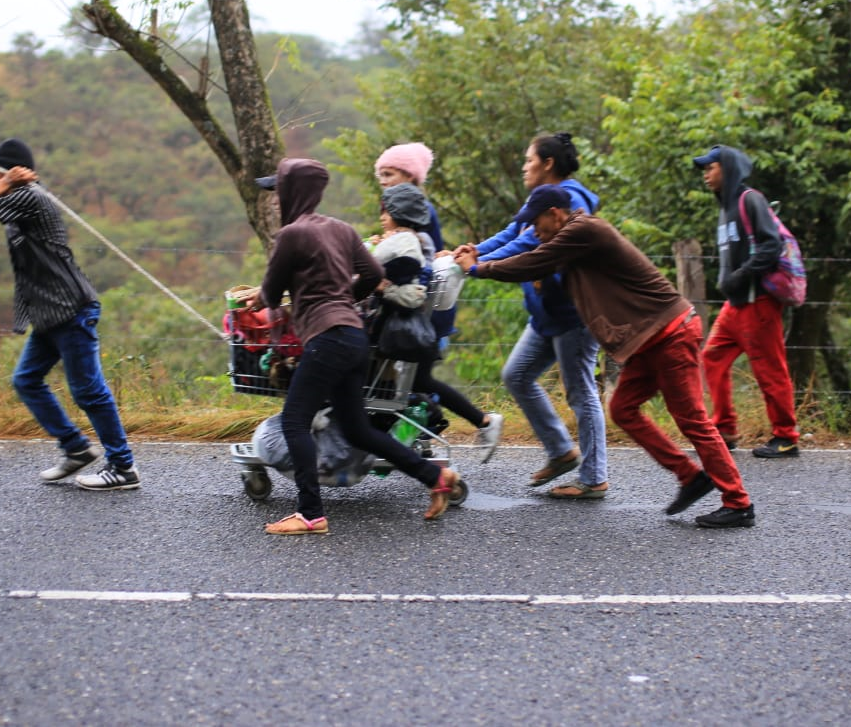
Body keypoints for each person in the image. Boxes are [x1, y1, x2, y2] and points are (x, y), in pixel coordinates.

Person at [456, 185, 756, 528]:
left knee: (692, 421)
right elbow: (530, 254)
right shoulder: (569, 243)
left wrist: (477, 268)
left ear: (556, 213)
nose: (533, 230)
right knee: (623, 410)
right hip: (647, 339)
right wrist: (477, 251)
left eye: (537, 222)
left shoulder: (584, 230)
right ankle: (690, 476)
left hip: (671, 332)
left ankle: (738, 502)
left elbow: (531, 261)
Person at [248, 158, 460, 535]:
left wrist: (259, 300)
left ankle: (310, 514)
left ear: (294, 192)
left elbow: (269, 291)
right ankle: (436, 477)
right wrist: (344, 297)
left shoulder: (292, 234)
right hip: (353, 338)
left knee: (296, 421)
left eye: (278, 192)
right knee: (357, 428)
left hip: (326, 339)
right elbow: (374, 275)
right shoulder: (341, 230)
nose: (275, 201)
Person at [0, 138, 140, 490]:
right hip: (49, 313)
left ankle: (122, 466)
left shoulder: (28, 197)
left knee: (88, 391)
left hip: (71, 309)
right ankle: (75, 448)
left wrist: (5, 182)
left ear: (9, 175)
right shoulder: (10, 198)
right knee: (26, 380)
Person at [453, 133, 607, 498]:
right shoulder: (539, 199)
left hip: (573, 314)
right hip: (545, 315)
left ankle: (594, 478)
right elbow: (514, 232)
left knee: (581, 393)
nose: (524, 167)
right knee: (516, 375)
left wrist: (480, 266)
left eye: (528, 160)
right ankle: (561, 452)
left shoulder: (572, 199)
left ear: (548, 163)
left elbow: (531, 244)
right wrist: (474, 250)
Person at [374, 144, 503, 455]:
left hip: (420, 311)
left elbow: (419, 256)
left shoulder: (415, 211)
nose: (383, 180)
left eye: (389, 174)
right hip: (419, 308)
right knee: (413, 381)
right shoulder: (407, 209)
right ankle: (426, 431)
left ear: (409, 174)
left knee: (416, 380)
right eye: (380, 175)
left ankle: (478, 421)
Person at [693, 145, 801, 458]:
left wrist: (739, 276)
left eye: (710, 167)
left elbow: (771, 246)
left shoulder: (749, 199)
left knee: (770, 370)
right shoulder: (725, 208)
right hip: (735, 306)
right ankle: (724, 428)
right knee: (711, 358)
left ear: (727, 168)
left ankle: (786, 437)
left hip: (759, 302)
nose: (706, 174)